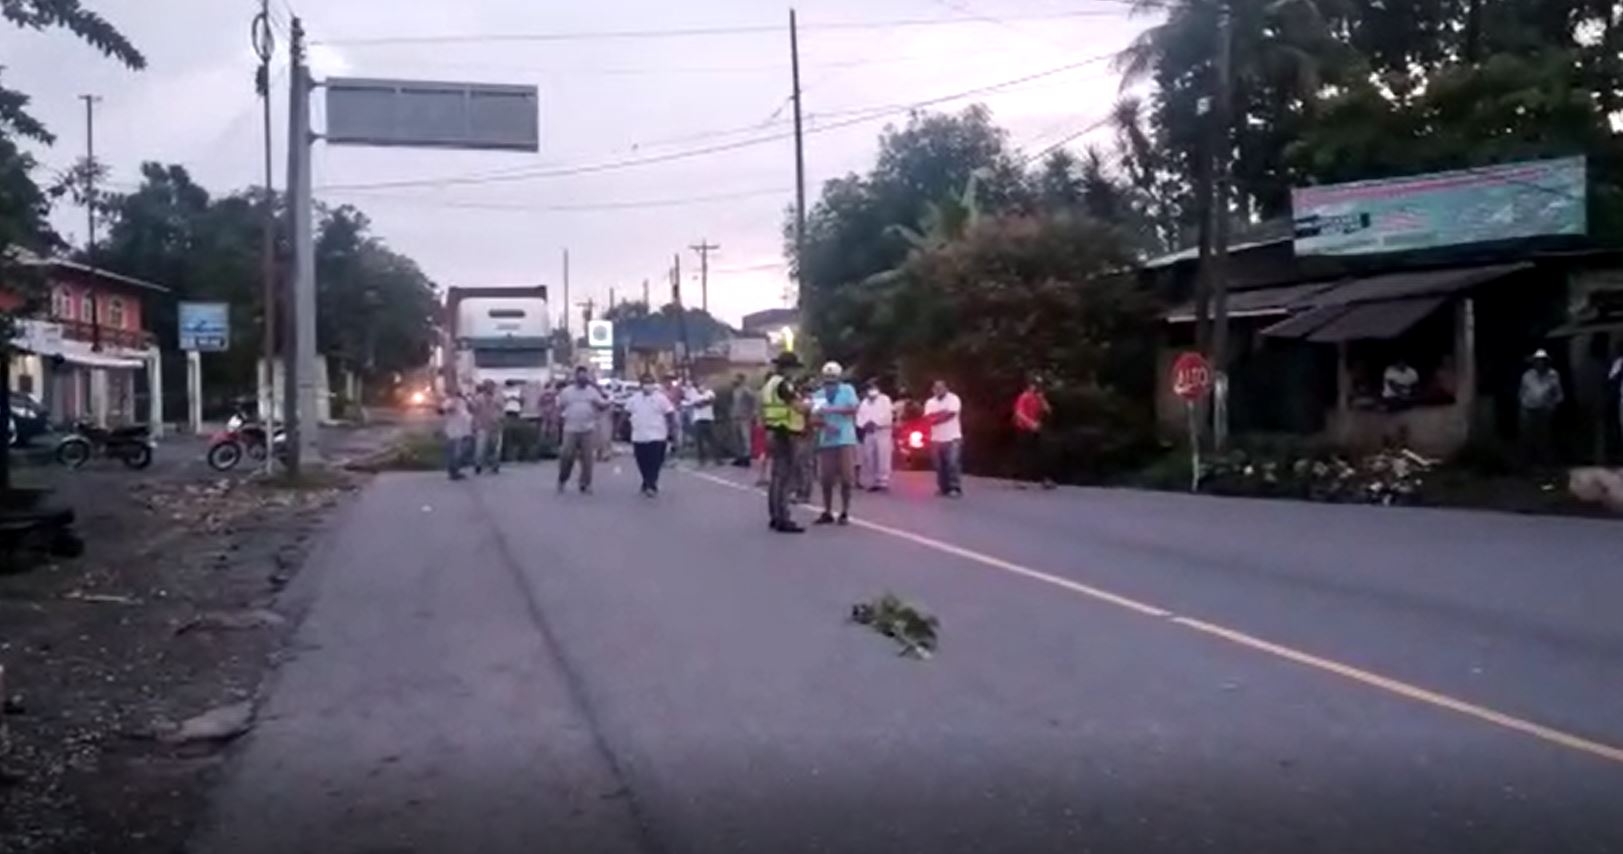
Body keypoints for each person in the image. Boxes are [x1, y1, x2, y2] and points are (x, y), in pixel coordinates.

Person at [761, 351, 810, 533]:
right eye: (793, 368)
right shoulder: (783, 385)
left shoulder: (769, 384)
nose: (794, 372)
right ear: (787, 368)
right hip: (784, 432)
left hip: (772, 430)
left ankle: (774, 516)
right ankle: (783, 517)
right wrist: (810, 407)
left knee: (776, 477)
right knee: (784, 478)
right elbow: (796, 406)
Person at [812, 362, 860, 525]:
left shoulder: (847, 390)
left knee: (847, 478)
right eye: (828, 379)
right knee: (826, 478)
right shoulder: (818, 395)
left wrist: (832, 411)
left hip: (845, 439)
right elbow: (814, 418)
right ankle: (827, 510)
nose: (830, 383)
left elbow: (853, 409)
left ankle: (845, 511)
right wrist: (825, 425)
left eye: (833, 379)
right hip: (827, 440)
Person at [556, 366, 609, 494]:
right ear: (576, 377)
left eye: (585, 376)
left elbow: (601, 404)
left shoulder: (592, 391)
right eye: (580, 376)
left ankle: (585, 483)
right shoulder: (567, 392)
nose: (583, 379)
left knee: (587, 458)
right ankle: (563, 479)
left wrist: (607, 403)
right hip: (570, 428)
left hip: (588, 429)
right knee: (566, 455)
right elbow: (559, 406)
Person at [625, 374, 677, 496]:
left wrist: (672, 431)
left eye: (650, 383)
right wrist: (619, 429)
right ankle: (646, 480)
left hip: (657, 436)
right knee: (642, 462)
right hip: (639, 436)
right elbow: (626, 413)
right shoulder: (634, 399)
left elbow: (670, 414)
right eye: (645, 383)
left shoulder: (661, 399)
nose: (647, 385)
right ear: (640, 385)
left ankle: (651, 484)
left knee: (655, 462)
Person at [1519, 349, 1564, 466]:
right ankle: (1529, 464)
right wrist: (1523, 408)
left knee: (1544, 438)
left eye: (1542, 361)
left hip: (1544, 410)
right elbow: (1522, 393)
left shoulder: (1553, 375)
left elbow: (1558, 394)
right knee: (1528, 437)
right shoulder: (1527, 375)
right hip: (1529, 410)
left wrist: (1552, 406)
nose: (1539, 363)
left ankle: (1545, 464)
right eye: (1537, 361)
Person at [924, 378, 964, 497]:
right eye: (936, 388)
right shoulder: (930, 402)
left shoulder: (954, 399)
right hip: (936, 438)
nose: (938, 390)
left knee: (952, 463)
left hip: (952, 437)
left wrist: (937, 417)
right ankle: (943, 488)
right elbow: (928, 418)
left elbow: (951, 414)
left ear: (946, 388)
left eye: (941, 387)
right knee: (939, 465)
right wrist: (941, 415)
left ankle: (955, 487)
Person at [1013, 375, 1054, 489]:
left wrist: (1042, 399)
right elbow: (1018, 413)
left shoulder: (1039, 398)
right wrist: (1031, 423)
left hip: (1035, 429)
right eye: (1035, 385)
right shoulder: (1024, 396)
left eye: (1039, 386)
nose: (1036, 388)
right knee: (1023, 454)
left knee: (1042, 453)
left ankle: (1045, 479)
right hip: (1023, 429)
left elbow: (1048, 411)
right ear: (1030, 386)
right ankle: (1019, 480)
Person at [856, 379, 894, 491]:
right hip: (869, 432)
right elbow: (860, 416)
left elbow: (887, 414)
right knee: (870, 457)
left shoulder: (885, 400)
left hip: (882, 431)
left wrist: (875, 423)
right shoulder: (864, 402)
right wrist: (865, 424)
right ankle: (873, 480)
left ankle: (883, 481)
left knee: (883, 455)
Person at [471, 380, 505, 475]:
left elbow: (502, 409)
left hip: (495, 425)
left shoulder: (498, 397)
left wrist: (500, 419)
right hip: (482, 425)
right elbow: (474, 410)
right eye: (487, 386)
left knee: (495, 447)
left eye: (491, 386)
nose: (490, 388)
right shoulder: (479, 398)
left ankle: (495, 465)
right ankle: (478, 465)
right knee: (480, 447)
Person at [440, 386, 474, 481]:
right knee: (455, 452)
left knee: (465, 449)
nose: (459, 392)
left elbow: (472, 409)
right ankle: (453, 472)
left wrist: (468, 400)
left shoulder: (464, 401)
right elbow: (441, 410)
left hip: (465, 430)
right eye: (457, 391)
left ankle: (456, 469)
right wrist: (450, 408)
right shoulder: (450, 401)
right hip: (454, 431)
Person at [686, 377, 719, 465]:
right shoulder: (693, 394)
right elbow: (696, 405)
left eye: (704, 384)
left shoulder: (710, 392)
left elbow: (711, 400)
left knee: (713, 440)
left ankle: (717, 459)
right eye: (700, 384)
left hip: (709, 419)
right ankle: (701, 459)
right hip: (698, 420)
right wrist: (705, 402)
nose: (702, 386)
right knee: (699, 441)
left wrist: (702, 402)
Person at [731, 373, 758, 467]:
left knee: (745, 437)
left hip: (744, 417)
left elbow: (753, 399)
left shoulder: (746, 390)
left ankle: (747, 457)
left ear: (741, 380)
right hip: (736, 416)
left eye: (737, 378)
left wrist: (752, 412)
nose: (734, 380)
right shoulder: (735, 390)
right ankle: (739, 456)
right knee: (737, 438)